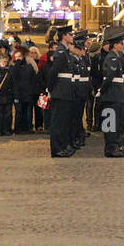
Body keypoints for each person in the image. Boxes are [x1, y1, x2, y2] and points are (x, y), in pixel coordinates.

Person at [97, 24, 124, 157]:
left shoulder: (118, 57)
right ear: (115, 45)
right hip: (112, 95)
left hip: (118, 94)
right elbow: (109, 78)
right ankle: (110, 148)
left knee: (116, 122)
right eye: (121, 43)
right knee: (110, 123)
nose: (123, 45)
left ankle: (115, 145)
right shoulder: (112, 58)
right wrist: (102, 91)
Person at [47, 25, 79, 158]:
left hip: (66, 91)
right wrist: (52, 89)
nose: (72, 37)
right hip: (60, 92)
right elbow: (53, 73)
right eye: (70, 34)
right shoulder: (60, 52)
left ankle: (63, 146)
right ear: (64, 36)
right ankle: (57, 148)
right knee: (58, 122)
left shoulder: (65, 52)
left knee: (64, 121)